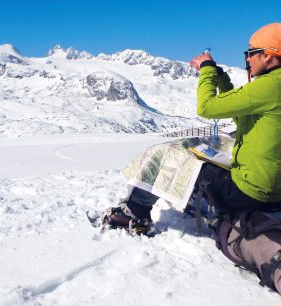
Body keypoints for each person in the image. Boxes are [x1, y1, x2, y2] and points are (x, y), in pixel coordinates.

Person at [101, 23, 281, 294]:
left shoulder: (271, 86)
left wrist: (207, 71)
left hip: (252, 191)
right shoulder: (271, 87)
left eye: (251, 52)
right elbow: (241, 112)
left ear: (268, 55)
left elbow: (207, 108)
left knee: (170, 154)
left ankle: (132, 214)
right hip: (273, 189)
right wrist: (220, 76)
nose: (247, 57)